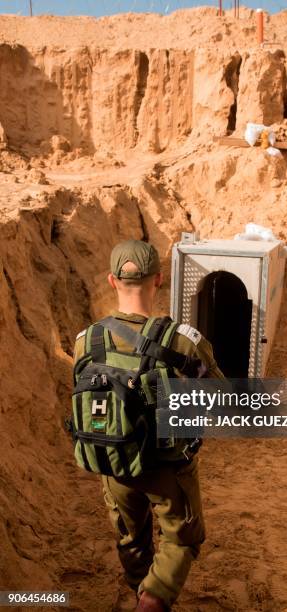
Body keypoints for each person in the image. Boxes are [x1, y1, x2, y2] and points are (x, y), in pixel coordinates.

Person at [72, 239, 223, 612]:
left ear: (111, 280)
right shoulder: (183, 341)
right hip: (165, 465)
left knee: (132, 541)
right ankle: (151, 603)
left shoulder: (85, 340)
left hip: (111, 462)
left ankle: (142, 593)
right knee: (182, 540)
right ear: (159, 279)